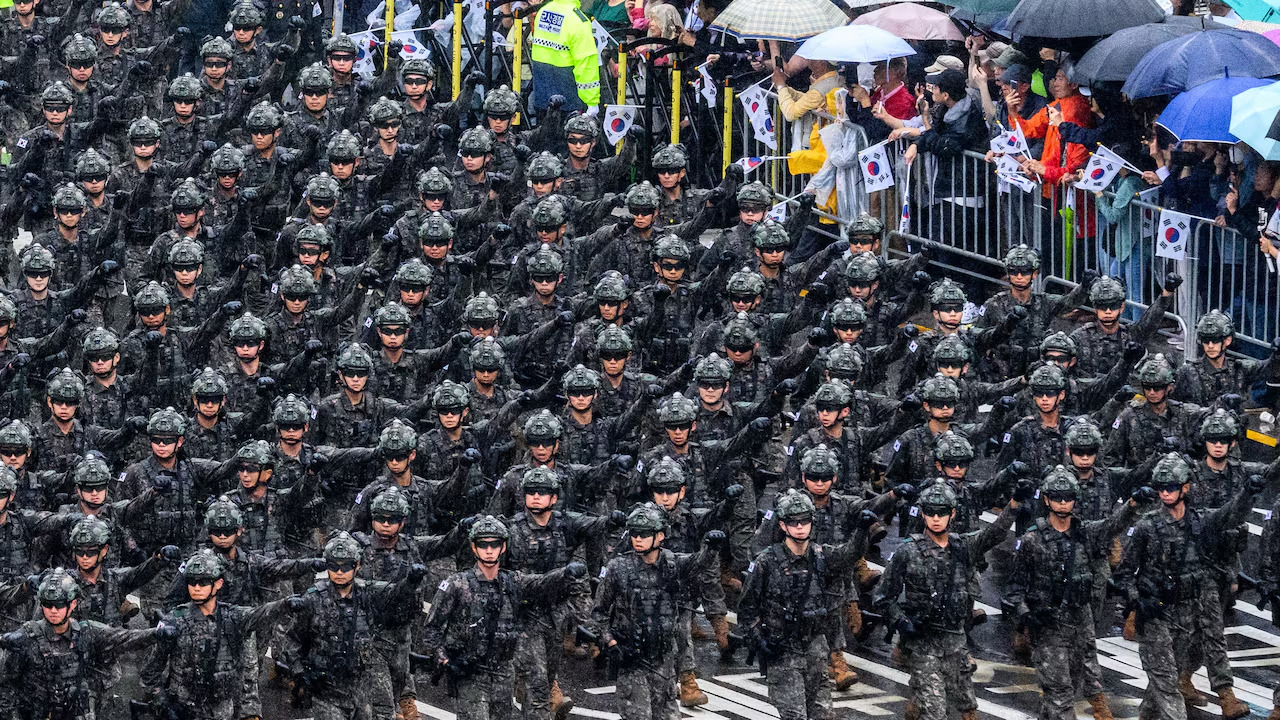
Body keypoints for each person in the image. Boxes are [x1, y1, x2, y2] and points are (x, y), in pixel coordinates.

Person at [530, 0, 601, 115]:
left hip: (542, 92)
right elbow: (585, 63)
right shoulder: (577, 20)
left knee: (544, 131)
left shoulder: (543, 11)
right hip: (568, 95)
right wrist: (592, 102)